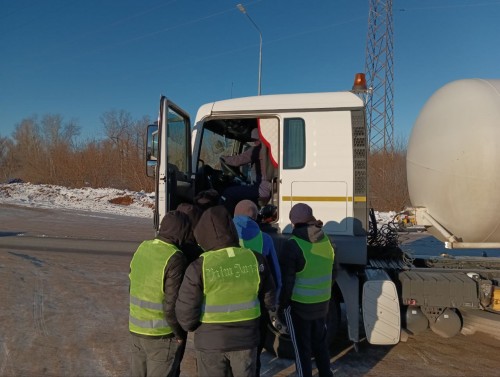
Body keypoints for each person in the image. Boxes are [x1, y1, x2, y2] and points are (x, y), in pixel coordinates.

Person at [175, 205, 276, 377]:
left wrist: (194, 326)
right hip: (246, 340)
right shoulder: (254, 258)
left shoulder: (199, 266)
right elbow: (269, 299)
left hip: (210, 343)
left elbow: (186, 314)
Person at [129, 211, 191, 377]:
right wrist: (179, 334)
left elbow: (132, 285)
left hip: (136, 330)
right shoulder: (175, 257)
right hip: (161, 335)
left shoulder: (142, 247)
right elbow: (171, 305)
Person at [277, 203, 335, 377]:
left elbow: (288, 282)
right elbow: (334, 270)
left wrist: (281, 306)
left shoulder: (293, 245)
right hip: (322, 304)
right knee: (320, 345)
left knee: (302, 350)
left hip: (299, 307)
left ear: (293, 222)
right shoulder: (326, 239)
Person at [232, 199, 282, 376]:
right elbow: (276, 275)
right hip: (256, 308)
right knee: (253, 358)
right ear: (256, 216)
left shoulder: (224, 234)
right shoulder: (265, 239)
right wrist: (274, 302)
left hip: (226, 307)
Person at [221, 128, 273, 214]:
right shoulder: (268, 149)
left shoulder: (258, 149)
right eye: (253, 140)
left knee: (228, 193)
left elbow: (237, 161)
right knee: (236, 186)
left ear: (260, 139)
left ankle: (227, 222)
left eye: (255, 140)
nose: (254, 142)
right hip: (266, 187)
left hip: (260, 189)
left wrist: (223, 158)